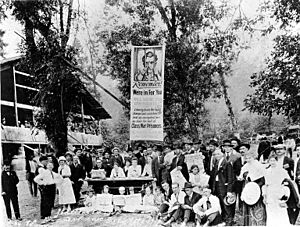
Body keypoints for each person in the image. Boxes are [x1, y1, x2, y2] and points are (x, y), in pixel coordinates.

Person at [237, 150, 266, 226]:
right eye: (246, 158)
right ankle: (248, 223)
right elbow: (241, 176)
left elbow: (263, 179)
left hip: (256, 188)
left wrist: (256, 187)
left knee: (256, 206)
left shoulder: (258, 166)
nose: (248, 160)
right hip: (247, 187)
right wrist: (242, 178)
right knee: (247, 204)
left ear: (254, 157)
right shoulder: (245, 166)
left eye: (250, 158)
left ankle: (257, 223)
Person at [262, 154, 291, 226]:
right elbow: (265, 185)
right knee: (271, 213)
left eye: (274, 160)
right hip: (270, 194)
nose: (272, 162)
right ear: (268, 162)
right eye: (271, 161)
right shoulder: (266, 171)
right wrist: (264, 197)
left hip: (279, 193)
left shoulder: (282, 171)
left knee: (281, 211)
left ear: (277, 161)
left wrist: (285, 197)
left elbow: (288, 183)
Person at [208, 148, 234, 225]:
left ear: (222, 154)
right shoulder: (216, 163)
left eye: (218, 154)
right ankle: (223, 219)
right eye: (215, 154)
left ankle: (229, 220)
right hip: (216, 185)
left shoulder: (227, 163)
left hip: (223, 186)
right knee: (219, 203)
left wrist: (229, 190)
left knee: (226, 203)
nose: (216, 156)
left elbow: (230, 178)